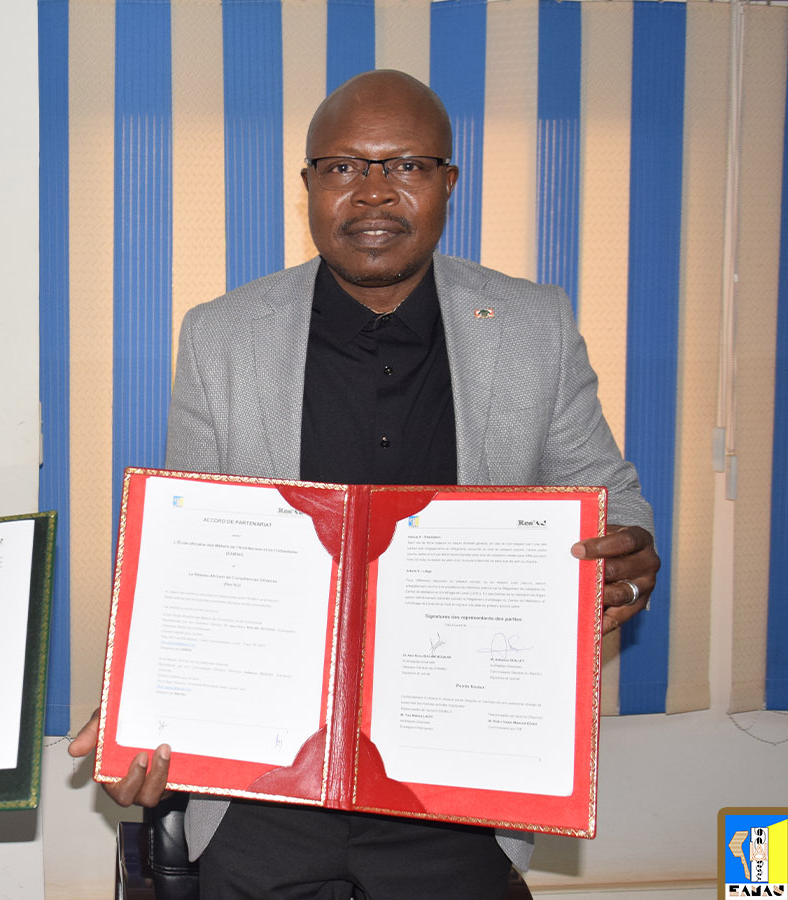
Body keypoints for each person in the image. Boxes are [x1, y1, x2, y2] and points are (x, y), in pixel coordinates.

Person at [70, 69, 661, 899]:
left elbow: (609, 494)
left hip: (455, 784)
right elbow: (190, 557)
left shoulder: (535, 326)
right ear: (309, 185)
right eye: (343, 166)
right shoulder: (220, 336)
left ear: (448, 182)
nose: (374, 192)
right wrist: (144, 710)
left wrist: (629, 552)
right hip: (266, 793)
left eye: (407, 165)